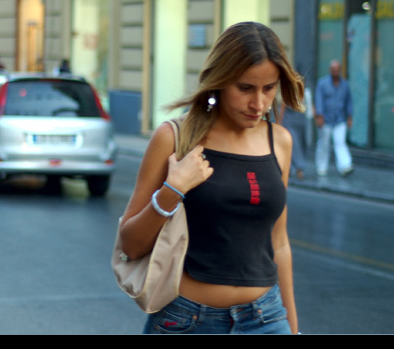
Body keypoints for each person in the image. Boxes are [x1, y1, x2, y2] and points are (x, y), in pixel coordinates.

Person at [119, 22, 304, 334]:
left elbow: (280, 243)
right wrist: (172, 189)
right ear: (219, 81)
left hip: (267, 320)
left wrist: (294, 329)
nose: (259, 104)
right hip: (187, 321)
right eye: (245, 88)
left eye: (269, 88)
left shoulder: (280, 141)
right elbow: (131, 246)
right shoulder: (174, 139)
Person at [314, 59, 354, 177]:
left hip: (340, 119)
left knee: (340, 142)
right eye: (333, 70)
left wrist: (350, 117)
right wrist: (319, 116)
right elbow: (318, 100)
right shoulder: (322, 83)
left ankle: (345, 166)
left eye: (337, 70)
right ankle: (321, 167)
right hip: (326, 119)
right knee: (324, 144)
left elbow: (349, 101)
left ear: (340, 70)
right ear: (330, 70)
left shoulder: (345, 84)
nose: (336, 72)